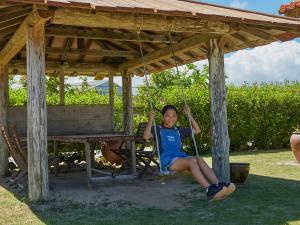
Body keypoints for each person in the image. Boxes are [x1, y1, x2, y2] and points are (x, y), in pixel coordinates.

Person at [143, 104, 235, 201]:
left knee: (198, 159)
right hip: (168, 160)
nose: (171, 118)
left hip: (180, 157)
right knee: (192, 161)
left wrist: (189, 115)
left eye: (174, 115)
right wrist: (150, 120)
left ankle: (217, 185)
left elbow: (197, 130)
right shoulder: (157, 129)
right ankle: (209, 189)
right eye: (167, 115)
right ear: (162, 117)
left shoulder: (179, 130)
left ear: (177, 117)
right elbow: (146, 136)